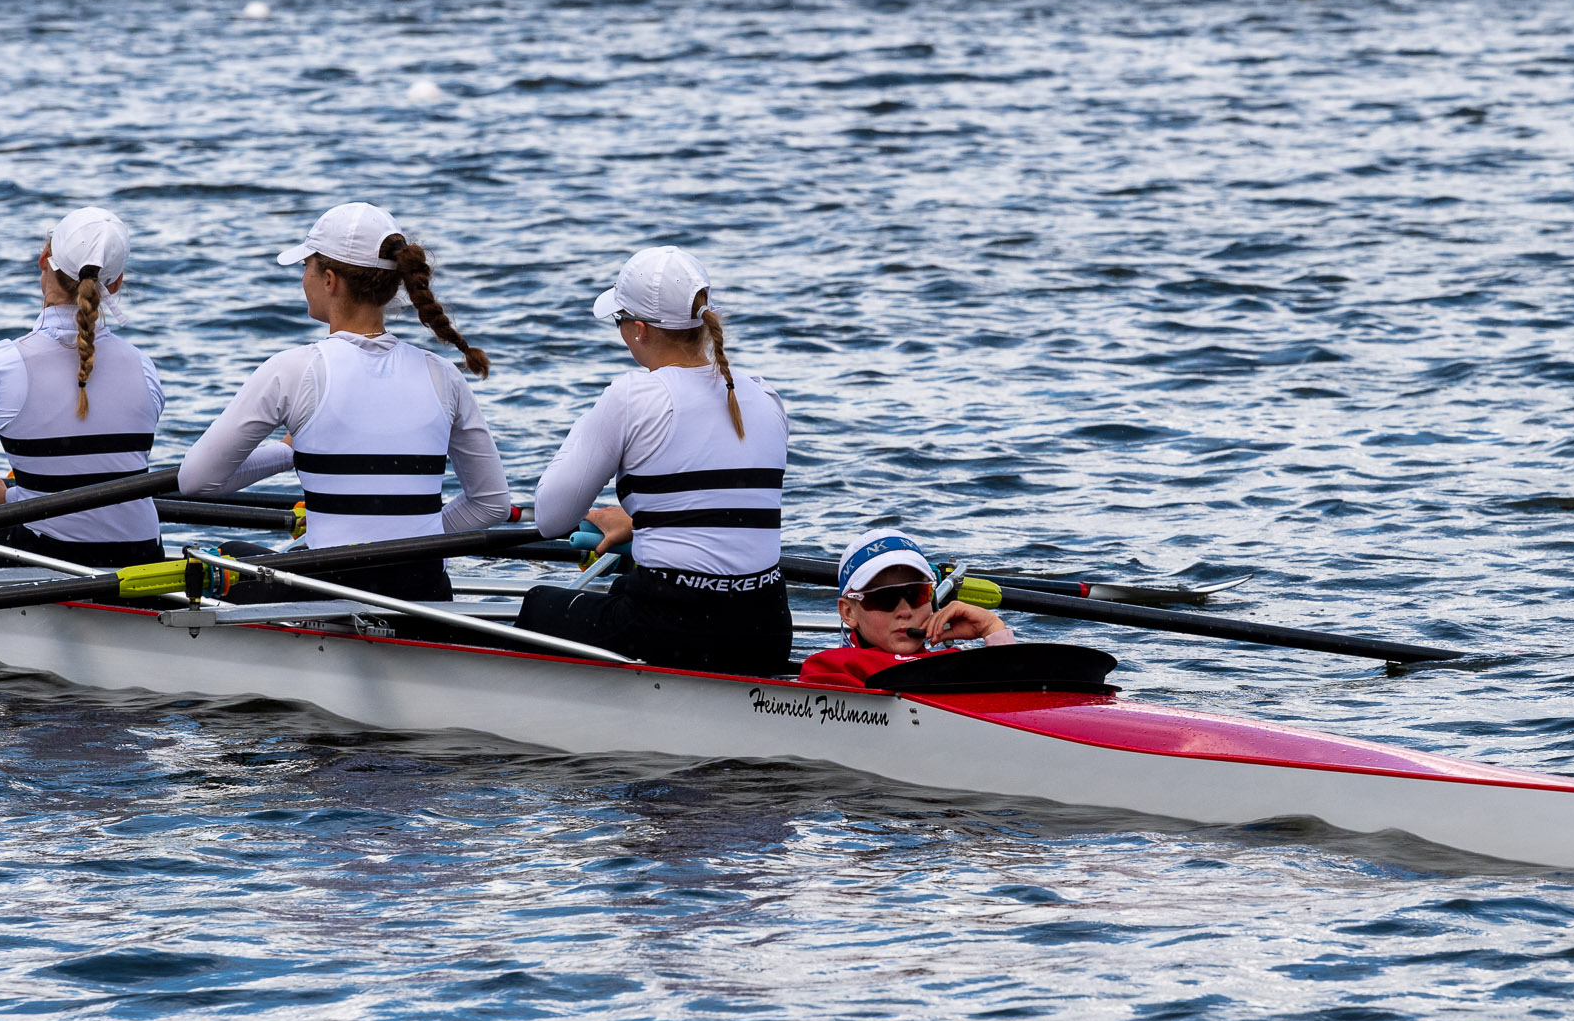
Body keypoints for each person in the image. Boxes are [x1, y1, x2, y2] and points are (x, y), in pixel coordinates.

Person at [177, 202, 514, 602]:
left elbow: (196, 481)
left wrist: (286, 454)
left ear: (330, 280)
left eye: (307, 267)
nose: (303, 278)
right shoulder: (444, 375)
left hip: (330, 592)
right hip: (424, 591)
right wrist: (410, 541)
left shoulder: (292, 370)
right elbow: (491, 504)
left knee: (220, 559)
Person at [517, 247, 790, 674]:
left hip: (673, 631)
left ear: (639, 330)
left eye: (619, 321)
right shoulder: (765, 395)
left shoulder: (632, 396)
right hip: (765, 632)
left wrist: (590, 422)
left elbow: (552, 518)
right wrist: (643, 521)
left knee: (538, 606)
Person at [0, 208, 167, 568]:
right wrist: (10, 496)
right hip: (143, 554)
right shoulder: (144, 367)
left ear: (44, 258)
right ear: (115, 284)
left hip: (57, 557)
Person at [797, 530, 1013, 688]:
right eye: (884, 599)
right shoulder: (828, 667)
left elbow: (1013, 701)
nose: (905, 612)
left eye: (916, 594)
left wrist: (992, 629)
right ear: (848, 612)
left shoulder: (955, 661)